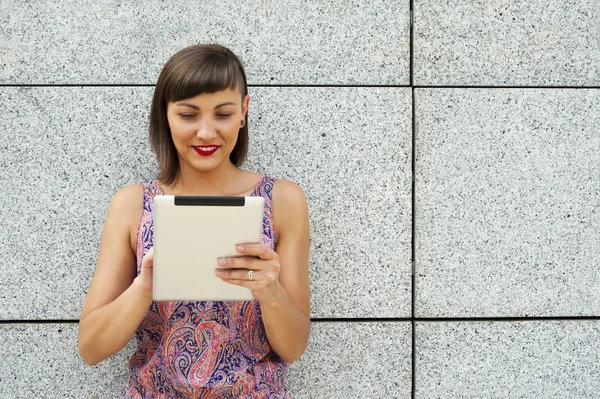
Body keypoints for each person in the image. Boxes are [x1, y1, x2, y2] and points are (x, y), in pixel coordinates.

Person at [78, 44, 310, 399]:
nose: (205, 133)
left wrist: (270, 292)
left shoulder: (282, 200)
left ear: (244, 112)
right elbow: (91, 347)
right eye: (188, 115)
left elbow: (293, 348)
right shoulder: (132, 204)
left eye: (223, 114)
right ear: (165, 115)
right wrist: (145, 286)